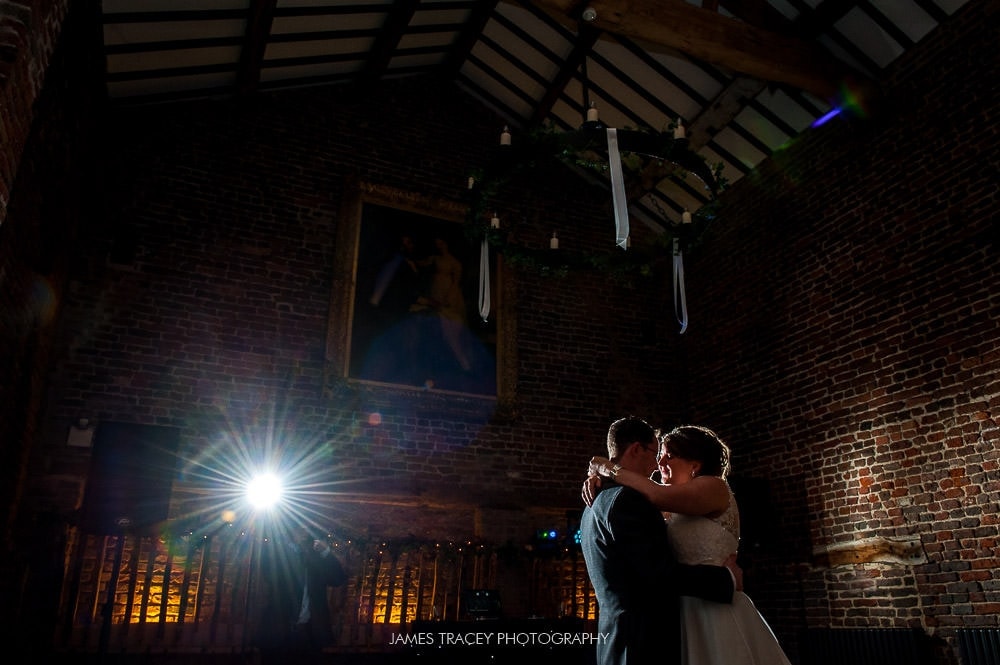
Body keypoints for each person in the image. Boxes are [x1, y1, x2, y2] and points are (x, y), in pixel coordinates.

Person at [585, 424, 792, 665]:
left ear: (695, 465)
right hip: (682, 611)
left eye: (669, 456)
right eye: (658, 453)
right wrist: (598, 480)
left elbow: (654, 494)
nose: (659, 463)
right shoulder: (657, 505)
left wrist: (606, 468)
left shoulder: (713, 487)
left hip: (714, 607)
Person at [257, 525, 347, 664]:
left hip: (309, 632)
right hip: (279, 629)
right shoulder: (279, 553)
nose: (303, 533)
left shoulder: (315, 559)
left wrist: (326, 553)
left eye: (306, 530)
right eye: (299, 529)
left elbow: (337, 579)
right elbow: (269, 572)